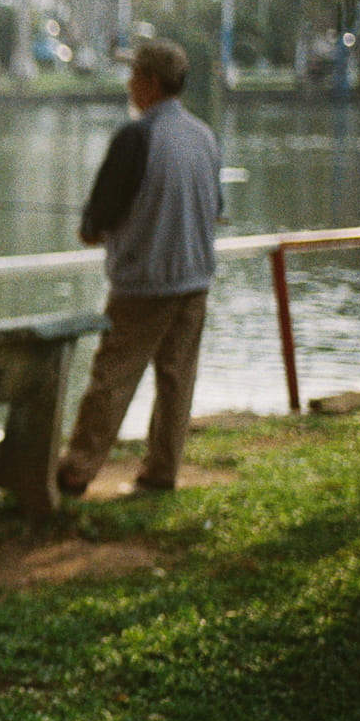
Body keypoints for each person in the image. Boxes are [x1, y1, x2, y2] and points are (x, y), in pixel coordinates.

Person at [56, 37, 222, 499]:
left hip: (144, 286)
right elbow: (216, 208)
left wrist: (91, 229)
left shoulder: (136, 136)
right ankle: (162, 470)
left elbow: (99, 218)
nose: (129, 84)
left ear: (149, 82)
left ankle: (76, 470)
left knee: (112, 379)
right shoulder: (204, 136)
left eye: (133, 75)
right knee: (177, 381)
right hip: (195, 282)